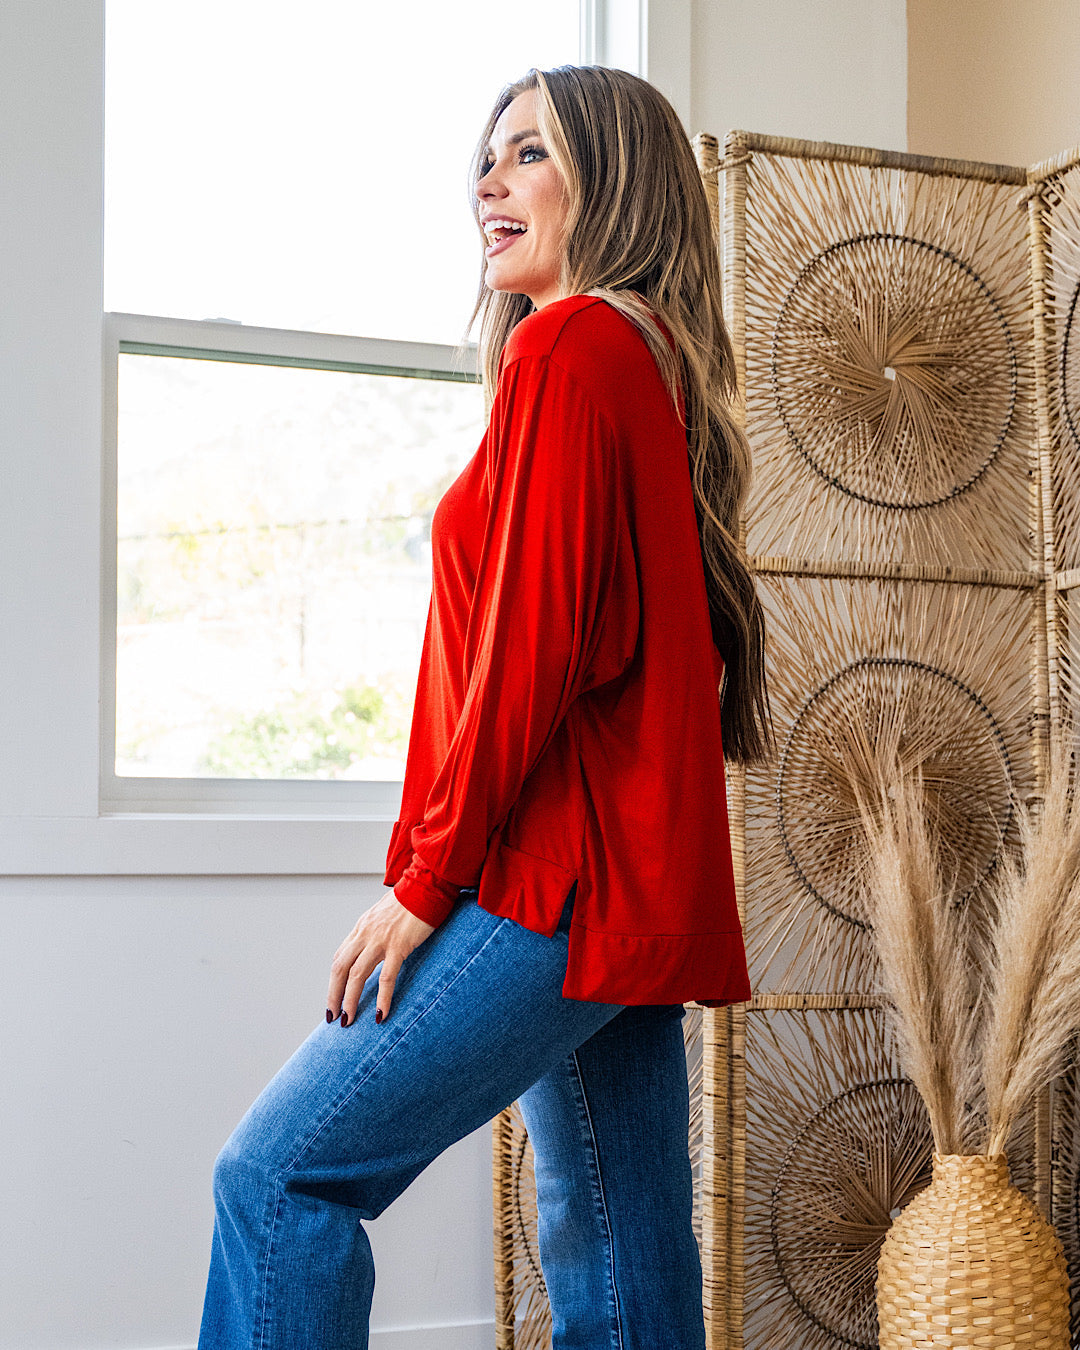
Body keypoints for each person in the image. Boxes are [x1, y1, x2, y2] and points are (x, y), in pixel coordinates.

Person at [198, 63, 771, 1350]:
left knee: (279, 1179)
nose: (488, 183)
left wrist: (425, 879)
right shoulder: (644, 356)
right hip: (618, 884)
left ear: (613, 181)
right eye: (486, 157)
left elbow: (529, 656)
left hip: (553, 879)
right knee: (619, 1258)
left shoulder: (574, 348)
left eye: (530, 154)